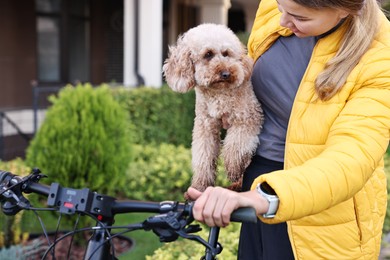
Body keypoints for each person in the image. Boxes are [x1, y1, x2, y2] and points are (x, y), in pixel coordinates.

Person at [186, 0, 390, 259]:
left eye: (299, 17)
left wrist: (263, 198)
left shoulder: (380, 58)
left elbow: (350, 160)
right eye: (282, 8)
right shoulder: (276, 6)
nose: (282, 21)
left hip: (319, 205)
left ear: (344, 10)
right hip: (256, 181)